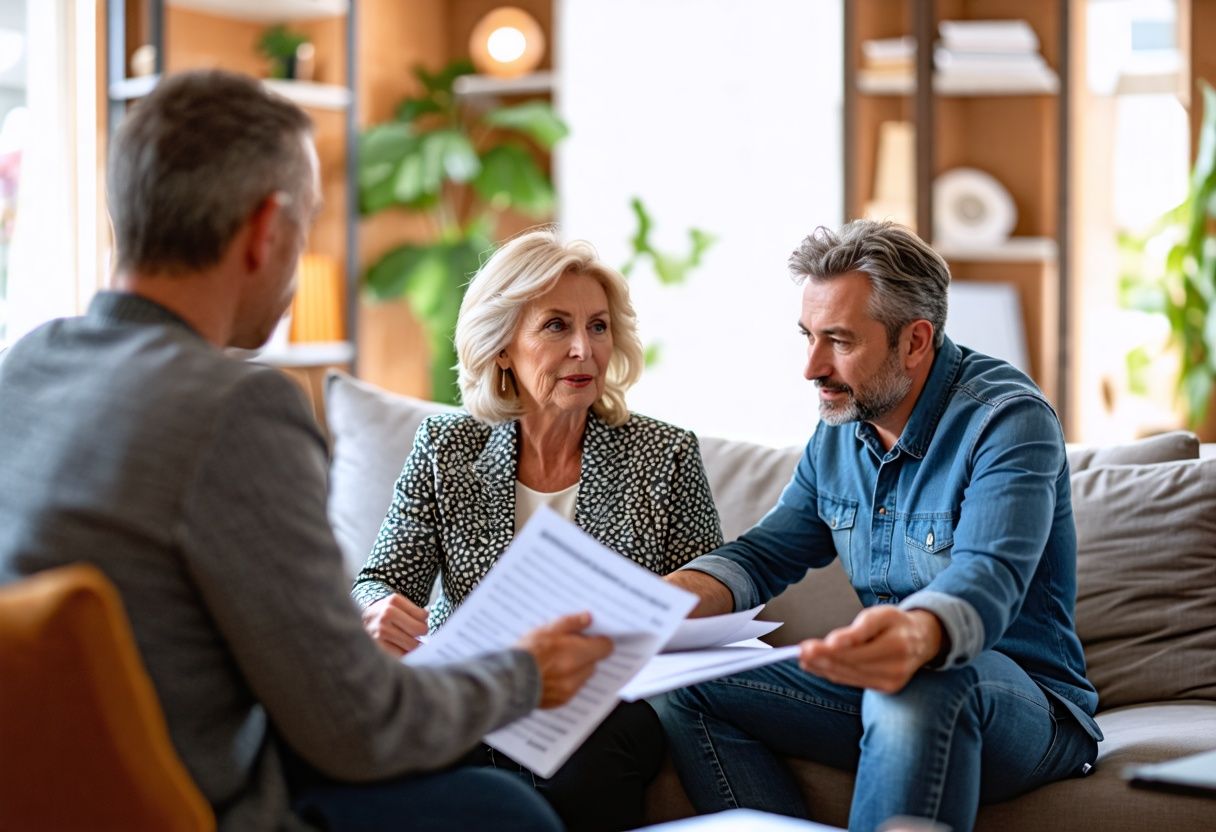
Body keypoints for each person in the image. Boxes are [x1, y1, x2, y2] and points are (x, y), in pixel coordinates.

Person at [0, 69, 615, 832]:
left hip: (46, 799)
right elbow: (359, 722)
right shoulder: (237, 409)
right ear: (267, 229)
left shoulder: (29, 364)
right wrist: (525, 675)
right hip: (193, 804)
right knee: (509, 816)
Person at [660, 220, 1102, 832]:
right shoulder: (838, 432)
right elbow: (767, 555)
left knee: (918, 679)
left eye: (839, 340)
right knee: (683, 686)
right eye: (807, 337)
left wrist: (916, 635)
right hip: (888, 691)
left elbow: (989, 573)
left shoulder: (1007, 419)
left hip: (1027, 709)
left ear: (915, 341)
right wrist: (669, 601)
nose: (812, 367)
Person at [352, 228, 725, 830]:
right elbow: (379, 581)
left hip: (605, 705)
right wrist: (374, 610)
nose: (585, 349)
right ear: (503, 347)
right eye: (556, 326)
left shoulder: (664, 453)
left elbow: (713, 593)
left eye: (598, 327)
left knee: (584, 759)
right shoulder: (448, 447)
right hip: (480, 688)